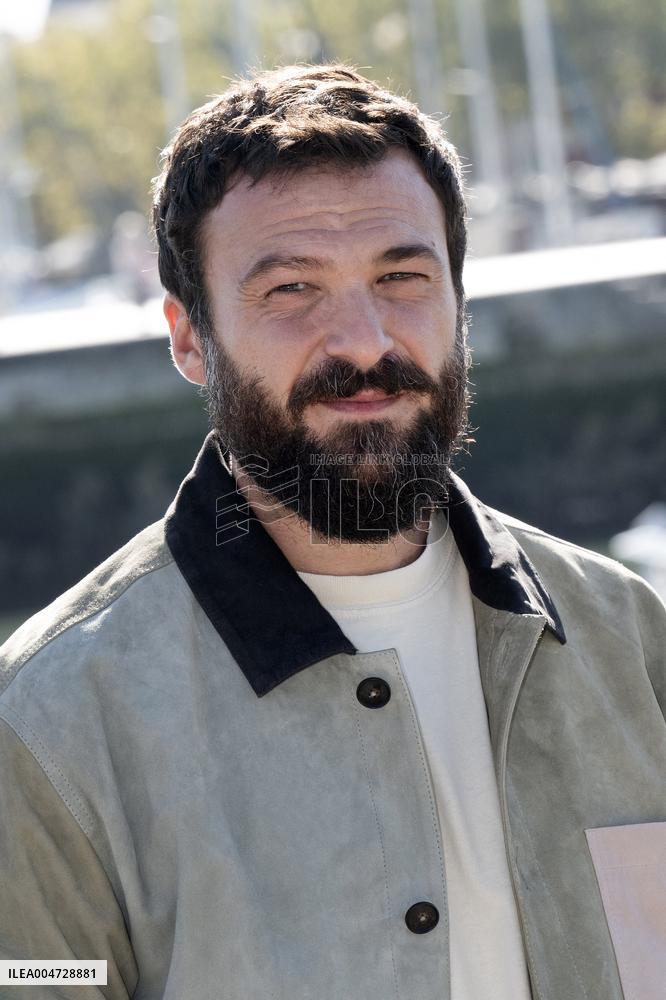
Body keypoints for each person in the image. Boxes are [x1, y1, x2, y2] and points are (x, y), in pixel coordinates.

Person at [0, 64, 664, 1000]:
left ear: (459, 302)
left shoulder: (632, 641)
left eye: (401, 277)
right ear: (190, 338)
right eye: (291, 291)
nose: (362, 340)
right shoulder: (47, 726)